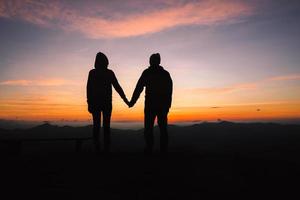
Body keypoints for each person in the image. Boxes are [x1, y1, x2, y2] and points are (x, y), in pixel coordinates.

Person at [129, 53, 173, 154]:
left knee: (150, 128)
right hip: (160, 106)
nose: (150, 62)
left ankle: (151, 150)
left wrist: (132, 102)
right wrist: (168, 105)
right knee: (160, 129)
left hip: (152, 105)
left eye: (152, 60)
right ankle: (161, 151)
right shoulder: (165, 74)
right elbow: (169, 91)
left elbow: (139, 88)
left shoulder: (148, 73)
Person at [87, 52, 129, 153]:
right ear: (106, 62)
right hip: (106, 104)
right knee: (106, 127)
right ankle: (106, 150)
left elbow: (89, 89)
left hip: (96, 104)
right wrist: (126, 100)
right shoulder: (109, 73)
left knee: (96, 126)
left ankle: (98, 149)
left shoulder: (93, 73)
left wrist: (89, 103)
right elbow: (117, 87)